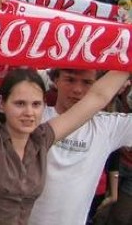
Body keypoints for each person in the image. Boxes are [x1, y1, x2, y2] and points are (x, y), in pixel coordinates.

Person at [0, 62, 130, 224]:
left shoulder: (43, 137)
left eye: (36, 104)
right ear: (3, 104)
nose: (29, 112)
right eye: (20, 104)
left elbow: (98, 96)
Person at [27, 69, 132, 225]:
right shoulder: (31, 117)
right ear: (55, 81)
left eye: (87, 82)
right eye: (70, 79)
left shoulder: (108, 127)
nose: (77, 89)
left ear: (99, 85)